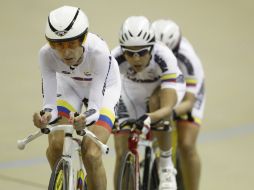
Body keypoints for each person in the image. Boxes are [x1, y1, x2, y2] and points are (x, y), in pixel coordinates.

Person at [32, 5, 121, 190]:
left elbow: (95, 107)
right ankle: (63, 181)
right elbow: (49, 103)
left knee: (92, 153)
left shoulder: (99, 52)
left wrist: (85, 119)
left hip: (104, 91)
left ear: (84, 38)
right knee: (56, 145)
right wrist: (46, 116)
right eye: (58, 45)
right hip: (70, 87)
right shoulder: (46, 54)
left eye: (72, 44)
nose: (65, 52)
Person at [112, 16, 186, 190]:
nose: (136, 59)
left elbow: (167, 107)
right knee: (121, 152)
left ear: (152, 47)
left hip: (163, 87)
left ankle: (166, 166)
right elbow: (107, 92)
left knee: (156, 103)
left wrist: (151, 117)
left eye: (142, 52)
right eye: (129, 53)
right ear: (122, 50)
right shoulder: (114, 58)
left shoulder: (164, 56)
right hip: (132, 89)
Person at [152, 19, 205, 190]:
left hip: (189, 92)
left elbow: (189, 101)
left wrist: (169, 112)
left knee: (187, 145)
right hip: (165, 84)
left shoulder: (188, 58)